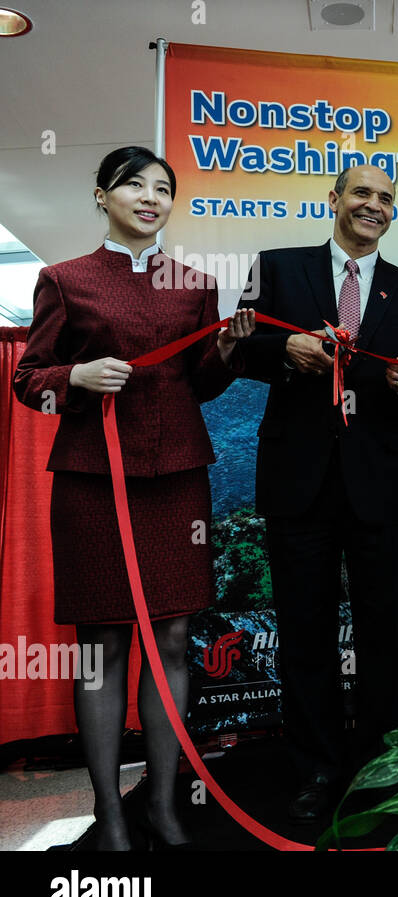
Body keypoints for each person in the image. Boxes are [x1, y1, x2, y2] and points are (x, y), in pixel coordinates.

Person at [12, 146, 254, 848]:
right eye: (135, 185)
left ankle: (165, 803)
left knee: (174, 635)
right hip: (93, 478)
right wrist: (77, 376)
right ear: (101, 196)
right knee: (103, 643)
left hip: (177, 477)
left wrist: (231, 352)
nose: (151, 197)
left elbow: (201, 384)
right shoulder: (65, 280)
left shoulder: (194, 285)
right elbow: (32, 380)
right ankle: (108, 811)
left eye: (164, 188)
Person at [238, 164, 398, 822]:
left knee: (388, 633)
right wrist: (284, 347)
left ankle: (381, 767)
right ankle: (316, 770)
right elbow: (239, 349)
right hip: (298, 483)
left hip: (379, 486)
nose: (374, 206)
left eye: (386, 199)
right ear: (334, 200)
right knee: (305, 634)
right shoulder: (276, 266)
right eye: (362, 194)